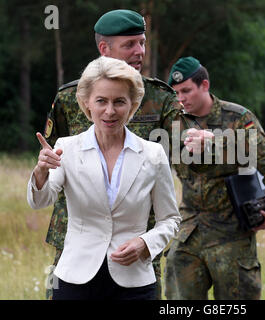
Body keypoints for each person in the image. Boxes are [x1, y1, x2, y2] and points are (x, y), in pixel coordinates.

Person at [42, 9, 189, 299]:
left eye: (142, 43)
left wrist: (202, 147)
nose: (140, 52)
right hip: (77, 242)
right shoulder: (69, 98)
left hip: (135, 244)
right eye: (130, 44)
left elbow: (186, 158)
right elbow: (51, 158)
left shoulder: (160, 98)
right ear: (104, 49)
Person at [164, 57, 265, 300]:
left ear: (205, 85)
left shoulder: (238, 117)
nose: (181, 98)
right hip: (190, 230)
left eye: (187, 91)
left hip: (231, 233)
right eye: (177, 93)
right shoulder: (174, 122)